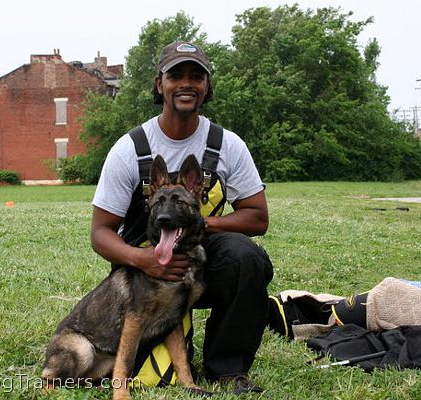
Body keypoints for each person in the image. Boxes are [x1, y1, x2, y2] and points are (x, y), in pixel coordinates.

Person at [91, 41, 274, 393]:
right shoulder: (131, 148)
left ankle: (228, 370)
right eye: (176, 75)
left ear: (207, 87)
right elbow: (100, 232)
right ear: (160, 84)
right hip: (146, 278)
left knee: (247, 257)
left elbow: (258, 217)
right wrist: (144, 259)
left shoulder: (227, 144)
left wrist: (201, 225)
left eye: (197, 76)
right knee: (148, 376)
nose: (186, 83)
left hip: (202, 267)